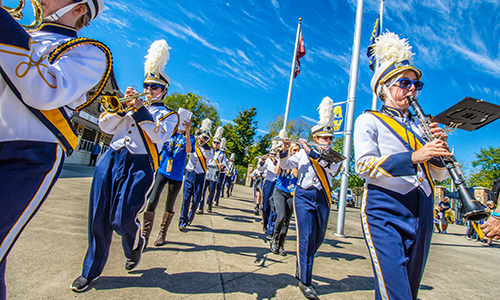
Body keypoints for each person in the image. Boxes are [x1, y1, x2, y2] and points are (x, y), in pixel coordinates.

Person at [0, 1, 109, 298]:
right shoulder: (20, 33)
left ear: (79, 9)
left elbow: (44, 90)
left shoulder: (88, 51)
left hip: (28, 153)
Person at [70, 39, 179, 292]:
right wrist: (121, 110)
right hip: (111, 159)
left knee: (121, 218)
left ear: (163, 91)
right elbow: (105, 127)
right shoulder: (127, 108)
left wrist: (142, 110)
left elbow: (159, 136)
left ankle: (134, 243)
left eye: (154, 87)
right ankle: (91, 272)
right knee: (98, 216)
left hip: (140, 165)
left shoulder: (168, 115)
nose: (149, 90)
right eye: (146, 86)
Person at [354, 32, 451, 300]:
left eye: (416, 85)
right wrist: (414, 157)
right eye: (404, 82)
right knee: (396, 292)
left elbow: (438, 175)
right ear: (383, 87)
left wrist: (439, 152)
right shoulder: (369, 120)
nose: (412, 89)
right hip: (385, 208)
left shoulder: (422, 126)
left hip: (422, 209)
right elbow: (363, 166)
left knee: (408, 289)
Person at [280, 97, 343, 299]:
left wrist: (311, 151)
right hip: (304, 196)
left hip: (323, 197)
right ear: (316, 138)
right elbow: (285, 165)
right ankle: (306, 281)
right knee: (306, 236)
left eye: (330, 138)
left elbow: (330, 168)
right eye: (324, 138)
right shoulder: (302, 155)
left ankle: (302, 259)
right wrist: (283, 149)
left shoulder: (333, 157)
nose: (328, 142)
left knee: (319, 237)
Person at [142, 117, 194, 247]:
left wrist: (187, 132)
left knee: (169, 205)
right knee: (152, 200)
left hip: (176, 176)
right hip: (162, 171)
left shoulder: (190, 137)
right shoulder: (169, 133)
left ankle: (162, 233)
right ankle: (145, 235)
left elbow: (188, 150)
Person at [178, 119, 213, 231]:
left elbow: (210, 158)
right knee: (186, 198)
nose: (203, 140)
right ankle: (182, 221)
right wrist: (195, 136)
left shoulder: (209, 150)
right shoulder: (193, 142)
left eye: (206, 138)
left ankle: (190, 217)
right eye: (202, 137)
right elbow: (189, 149)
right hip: (190, 172)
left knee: (197, 199)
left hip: (200, 175)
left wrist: (206, 146)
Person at [269, 142, 300, 256]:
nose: (296, 152)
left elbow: (296, 175)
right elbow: (277, 172)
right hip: (280, 190)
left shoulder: (299, 163)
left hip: (291, 193)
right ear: (290, 151)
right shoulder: (284, 160)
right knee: (281, 216)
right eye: (294, 150)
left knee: (287, 220)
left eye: (298, 151)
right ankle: (274, 239)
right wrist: (283, 159)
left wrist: (294, 163)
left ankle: (281, 244)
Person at [204, 127, 226, 213]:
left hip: (214, 173)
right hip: (206, 171)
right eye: (214, 142)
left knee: (212, 190)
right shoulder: (207, 149)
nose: (216, 144)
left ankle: (209, 204)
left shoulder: (221, 154)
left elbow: (224, 164)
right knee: (202, 190)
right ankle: (201, 206)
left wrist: (222, 166)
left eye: (217, 143)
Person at [258, 150, 278, 234]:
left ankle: (272, 227)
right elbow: (261, 169)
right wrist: (262, 162)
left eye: (274, 154)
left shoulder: (279, 160)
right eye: (271, 153)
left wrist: (275, 161)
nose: (272, 155)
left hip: (277, 183)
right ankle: (265, 224)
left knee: (275, 206)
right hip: (269, 182)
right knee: (266, 205)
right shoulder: (267, 160)